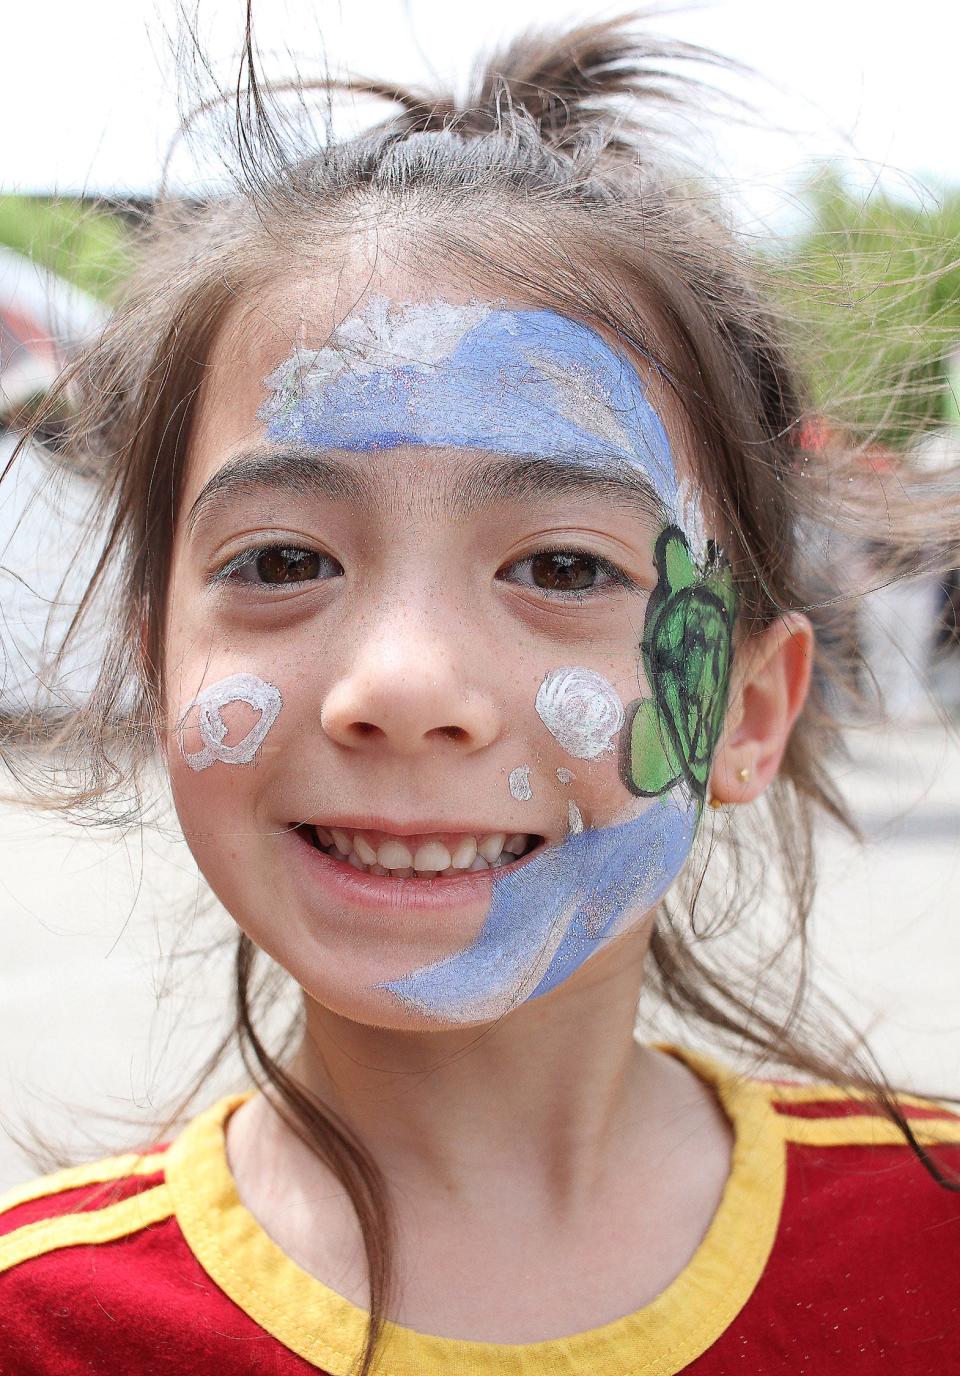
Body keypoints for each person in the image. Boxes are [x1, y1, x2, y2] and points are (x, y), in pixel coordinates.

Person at [2, 16, 959, 1375]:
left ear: (747, 710)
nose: (402, 685)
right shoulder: (44, 1331)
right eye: (284, 560)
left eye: (562, 564)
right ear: (160, 661)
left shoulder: (934, 1254)